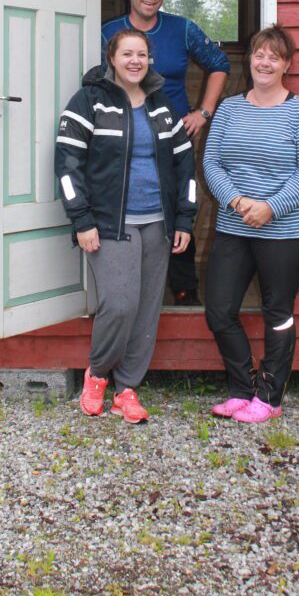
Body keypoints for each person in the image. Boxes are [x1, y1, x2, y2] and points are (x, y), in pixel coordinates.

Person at [55, 28, 196, 423]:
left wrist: (184, 217)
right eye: (127, 53)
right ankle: (98, 374)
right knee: (119, 304)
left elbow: (185, 166)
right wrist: (81, 218)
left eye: (142, 54)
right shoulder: (88, 102)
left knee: (147, 309)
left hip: (158, 223)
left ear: (149, 60)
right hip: (108, 223)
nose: (135, 60)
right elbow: (67, 165)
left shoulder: (161, 104)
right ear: (111, 58)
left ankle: (128, 388)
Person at [202, 25, 299, 423]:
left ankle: (269, 398)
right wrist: (237, 201)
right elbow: (212, 162)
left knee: (278, 311)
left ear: (286, 64)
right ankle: (241, 388)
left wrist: (270, 207)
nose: (265, 62)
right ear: (249, 59)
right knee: (220, 310)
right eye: (259, 54)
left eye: (274, 56)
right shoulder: (230, 108)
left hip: (288, 231)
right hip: (234, 224)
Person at [101, 0, 230, 306]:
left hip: (172, 135)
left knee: (178, 208)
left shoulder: (182, 29)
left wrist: (203, 112)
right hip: (124, 135)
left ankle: (185, 292)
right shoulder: (108, 32)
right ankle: (127, 293)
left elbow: (220, 64)